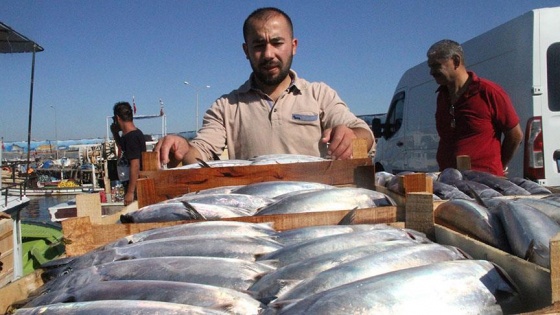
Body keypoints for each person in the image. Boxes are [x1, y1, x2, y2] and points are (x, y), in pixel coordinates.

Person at [155, 7, 374, 167]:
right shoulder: (226, 107)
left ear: (293, 46)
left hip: (312, 212)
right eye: (259, 45)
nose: (269, 54)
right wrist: (183, 148)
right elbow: (200, 152)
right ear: (246, 51)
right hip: (254, 217)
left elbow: (365, 135)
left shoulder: (319, 95)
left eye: (277, 43)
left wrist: (352, 136)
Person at [427, 39, 523, 177]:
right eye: (430, 67)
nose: (431, 72)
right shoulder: (442, 96)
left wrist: (498, 167)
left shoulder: (488, 92)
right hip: (450, 182)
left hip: (485, 184)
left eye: (436, 66)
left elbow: (515, 136)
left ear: (456, 61)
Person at [111, 101, 146, 206]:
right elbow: (122, 148)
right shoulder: (128, 136)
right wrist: (115, 133)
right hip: (128, 183)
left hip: (134, 186)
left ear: (117, 118)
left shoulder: (132, 137)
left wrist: (130, 192)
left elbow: (135, 165)